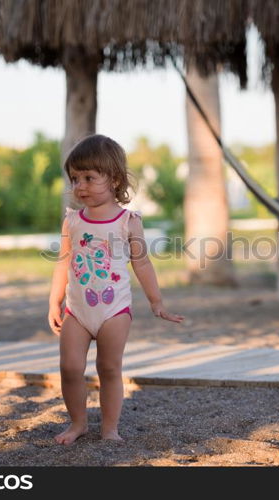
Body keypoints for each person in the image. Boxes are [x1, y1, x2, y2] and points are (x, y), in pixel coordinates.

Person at [47, 134, 184, 444]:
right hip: (77, 309)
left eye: (89, 178)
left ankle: (109, 429)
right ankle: (77, 423)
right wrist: (54, 302)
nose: (79, 185)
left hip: (114, 310)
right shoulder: (72, 221)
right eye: (74, 178)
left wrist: (156, 302)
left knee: (108, 368)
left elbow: (143, 263)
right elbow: (63, 263)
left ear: (114, 179)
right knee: (69, 367)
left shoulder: (127, 222)